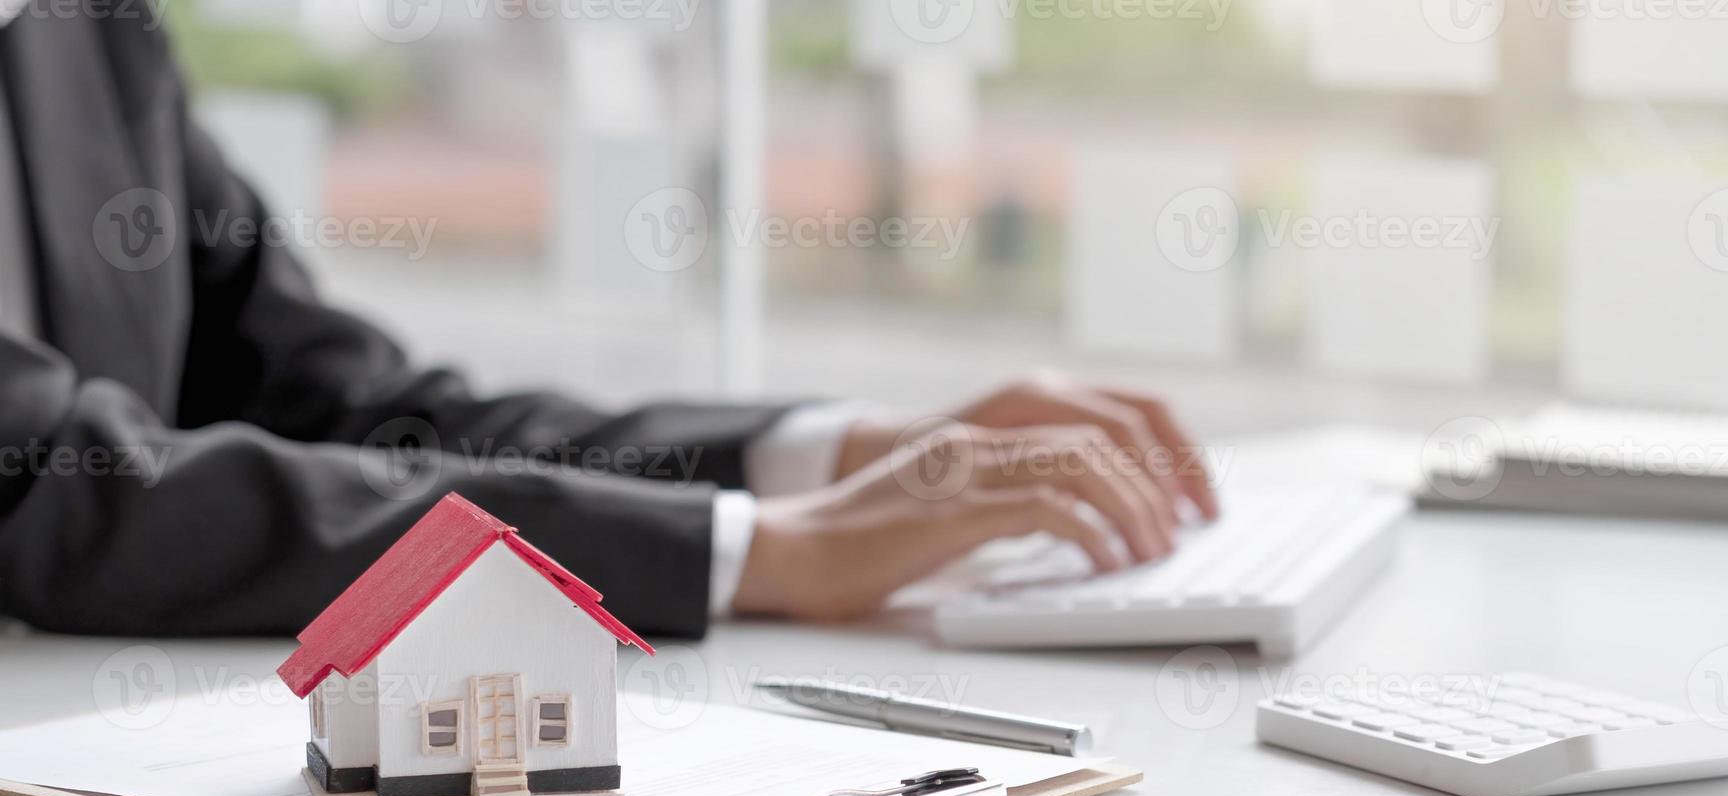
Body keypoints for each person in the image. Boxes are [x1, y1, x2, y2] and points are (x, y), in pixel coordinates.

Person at [0, 5, 1216, 639]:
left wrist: (836, 454)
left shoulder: (86, 29)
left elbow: (347, 401)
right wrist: (758, 551)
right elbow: (62, 490)